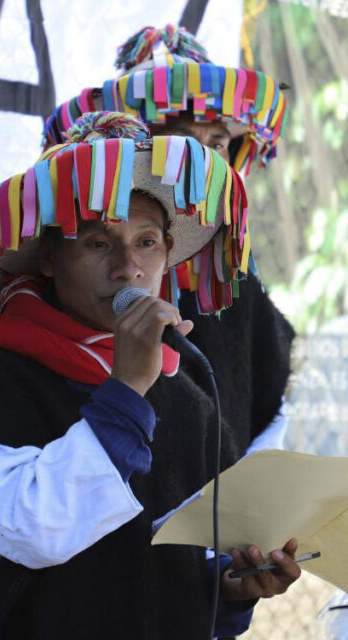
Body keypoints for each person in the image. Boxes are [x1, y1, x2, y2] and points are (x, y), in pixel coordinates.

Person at [0, 112, 302, 639]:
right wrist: (127, 391)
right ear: (49, 257)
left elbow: (156, 569)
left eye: (146, 242)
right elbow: (35, 530)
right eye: (97, 243)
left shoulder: (183, 392)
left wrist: (226, 589)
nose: (127, 268)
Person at [40, 24, 296, 457]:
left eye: (216, 144)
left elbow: (269, 417)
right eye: (180, 142)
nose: (200, 162)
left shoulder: (235, 287)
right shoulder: (58, 284)